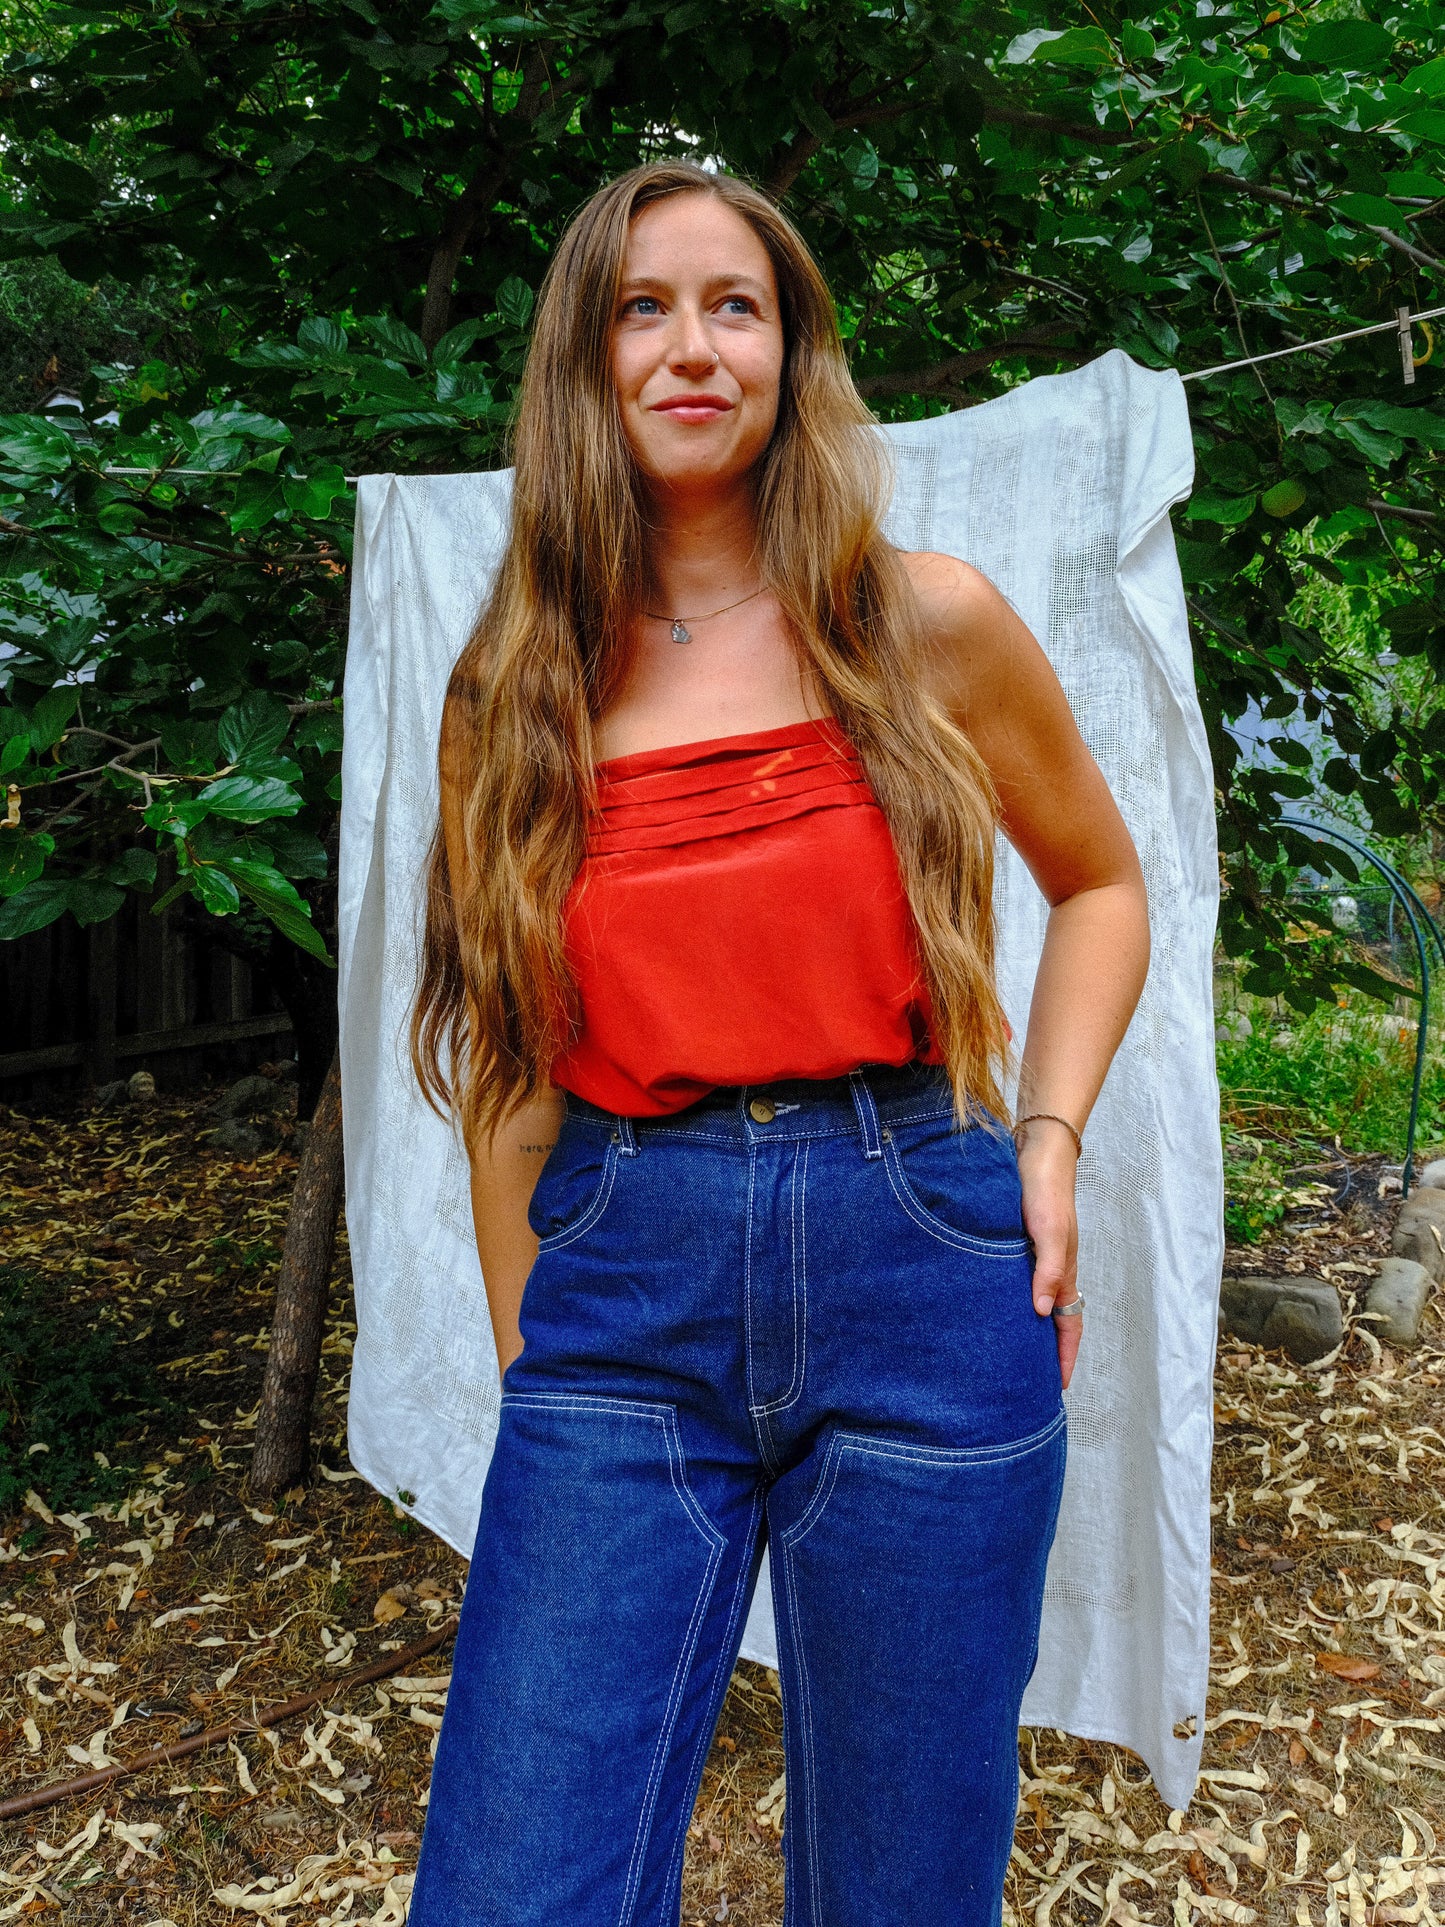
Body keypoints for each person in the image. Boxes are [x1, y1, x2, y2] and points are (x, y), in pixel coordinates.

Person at [407, 160, 1150, 1927]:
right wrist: (537, 1338)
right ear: (583, 366)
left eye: (731, 306)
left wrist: (1042, 1141)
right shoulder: (514, 681)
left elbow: (1103, 888)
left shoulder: (925, 622)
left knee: (901, 1882)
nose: (689, 347)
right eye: (640, 310)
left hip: (921, 1257)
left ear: (789, 352)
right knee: (517, 1885)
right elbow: (509, 1050)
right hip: (624, 1275)